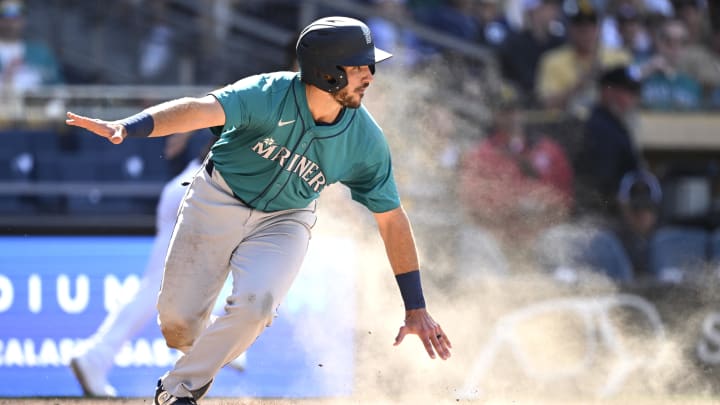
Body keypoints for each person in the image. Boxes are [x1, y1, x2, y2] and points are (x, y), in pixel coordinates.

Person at [66, 16, 452, 404]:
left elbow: (391, 220)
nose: (369, 74)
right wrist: (128, 127)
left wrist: (415, 306)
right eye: (358, 66)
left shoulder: (365, 140)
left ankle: (177, 391)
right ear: (327, 73)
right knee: (178, 327)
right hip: (217, 198)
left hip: (286, 220)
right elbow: (200, 110)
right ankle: (208, 348)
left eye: (370, 65)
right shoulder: (267, 93)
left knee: (257, 305)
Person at [68, 135, 248, 398]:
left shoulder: (258, 114)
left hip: (189, 186)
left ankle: (98, 355)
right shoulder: (261, 114)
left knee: (160, 286)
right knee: (163, 287)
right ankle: (216, 341)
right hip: (200, 190)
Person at [457, 86, 574, 277]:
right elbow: (473, 202)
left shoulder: (548, 150)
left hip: (540, 234)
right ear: (495, 115)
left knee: (561, 239)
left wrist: (541, 205)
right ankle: (488, 296)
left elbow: (565, 197)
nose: (512, 117)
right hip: (498, 237)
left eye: (515, 110)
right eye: (505, 111)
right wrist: (510, 206)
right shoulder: (480, 155)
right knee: (472, 239)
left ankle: (563, 289)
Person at [535, 0, 631, 116]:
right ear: (570, 29)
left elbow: (632, 101)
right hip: (569, 125)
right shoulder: (552, 61)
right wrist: (580, 85)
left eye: (591, 25)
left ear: (598, 29)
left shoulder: (619, 58)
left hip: (609, 124)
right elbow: (546, 105)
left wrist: (607, 83)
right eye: (579, 26)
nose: (586, 32)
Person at [0, 0, 63, 92]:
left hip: (33, 105)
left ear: (24, 20)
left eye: (16, 18)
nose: (10, 23)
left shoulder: (41, 53)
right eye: (5, 18)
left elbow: (58, 87)